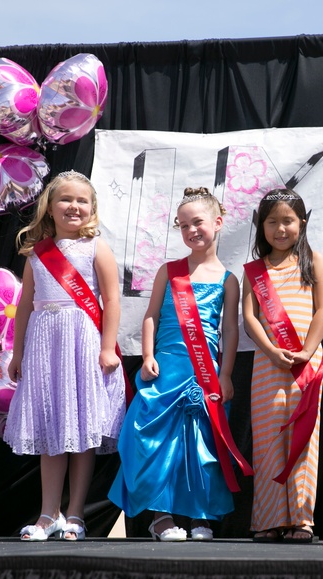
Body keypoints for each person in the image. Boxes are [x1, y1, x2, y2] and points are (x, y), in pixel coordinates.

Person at [108, 187, 248, 541]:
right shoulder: (168, 271)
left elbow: (230, 329)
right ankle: (161, 518)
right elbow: (151, 316)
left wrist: (226, 373)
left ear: (218, 222)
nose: (191, 231)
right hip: (165, 370)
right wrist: (148, 355)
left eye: (197, 222)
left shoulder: (229, 280)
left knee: (202, 446)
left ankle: (201, 515)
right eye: (183, 225)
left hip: (205, 375)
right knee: (154, 443)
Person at [5, 170, 126, 541]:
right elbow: (25, 305)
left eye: (81, 201)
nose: (74, 207)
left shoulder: (96, 248)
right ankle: (47, 513)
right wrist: (18, 351)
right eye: (65, 200)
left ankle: (75, 514)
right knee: (51, 428)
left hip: (83, 340)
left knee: (81, 426)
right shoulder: (37, 253)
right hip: (45, 343)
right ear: (50, 207)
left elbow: (111, 300)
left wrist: (108, 347)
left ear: (92, 208)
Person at [242, 189, 323, 543]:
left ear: (302, 223)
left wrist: (307, 351)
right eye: (272, 222)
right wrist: (270, 349)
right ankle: (269, 518)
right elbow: (249, 317)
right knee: (267, 439)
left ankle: (301, 519)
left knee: (303, 439)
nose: (280, 229)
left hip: (305, 366)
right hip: (267, 364)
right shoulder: (254, 270)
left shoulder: (313, 261)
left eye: (288, 221)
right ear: (261, 226)